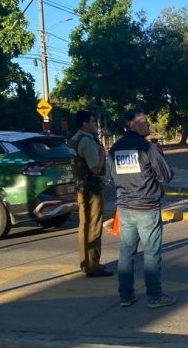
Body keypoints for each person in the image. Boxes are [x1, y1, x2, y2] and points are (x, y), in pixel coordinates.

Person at [109, 108, 176, 309]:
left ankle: (125, 296)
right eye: (144, 121)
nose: (148, 124)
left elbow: (112, 177)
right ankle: (154, 296)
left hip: (125, 207)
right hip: (147, 206)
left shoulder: (115, 149)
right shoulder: (148, 148)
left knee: (126, 253)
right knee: (151, 254)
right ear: (133, 124)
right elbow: (166, 175)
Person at [70, 110, 113, 278]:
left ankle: (86, 263)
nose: (96, 125)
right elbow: (95, 167)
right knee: (93, 226)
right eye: (93, 121)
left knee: (85, 226)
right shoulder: (87, 141)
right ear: (85, 124)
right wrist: (102, 154)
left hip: (82, 188)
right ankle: (92, 265)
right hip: (91, 189)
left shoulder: (75, 139)